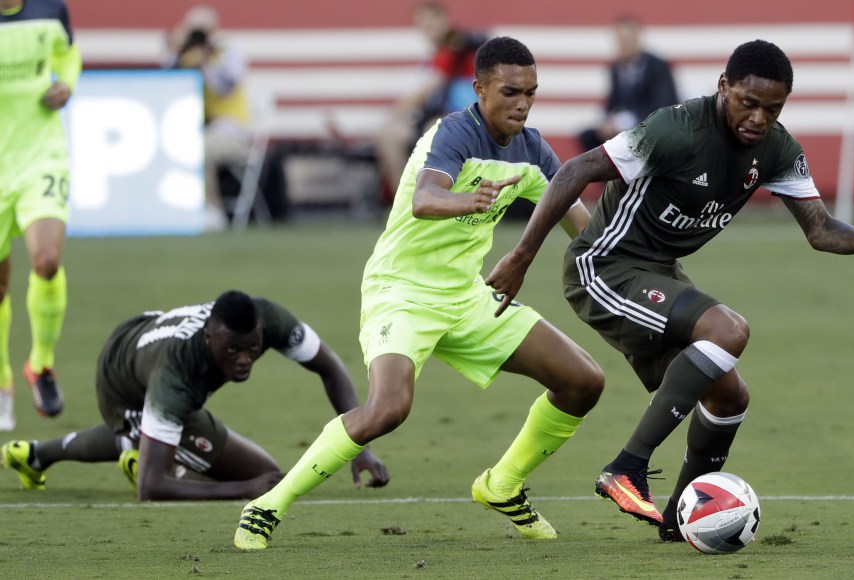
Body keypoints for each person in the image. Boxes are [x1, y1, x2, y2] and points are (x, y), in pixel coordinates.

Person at [486, 39, 854, 543]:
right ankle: (626, 467)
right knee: (729, 330)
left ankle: (680, 518)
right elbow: (576, 169)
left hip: (658, 273)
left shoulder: (778, 148)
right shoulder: (675, 130)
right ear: (724, 87)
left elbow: (820, 229)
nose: (759, 118)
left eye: (773, 107)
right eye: (749, 102)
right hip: (603, 268)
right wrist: (521, 256)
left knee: (729, 393)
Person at [233, 36, 605, 550]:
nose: (522, 102)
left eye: (532, 93)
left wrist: (623, 258)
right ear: (478, 89)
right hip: (401, 293)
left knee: (583, 380)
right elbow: (424, 200)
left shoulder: (532, 150)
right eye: (510, 91)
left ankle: (502, 485)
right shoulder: (452, 133)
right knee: (388, 408)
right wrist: (467, 201)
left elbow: (580, 227)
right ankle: (270, 503)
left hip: (469, 297)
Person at [1, 290, 390, 500]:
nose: (244, 360)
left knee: (262, 469)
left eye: (252, 348)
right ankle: (142, 452)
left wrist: (361, 447)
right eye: (232, 349)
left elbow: (330, 365)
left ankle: (36, 455)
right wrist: (244, 491)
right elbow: (150, 490)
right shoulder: (175, 377)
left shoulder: (268, 318)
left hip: (143, 337)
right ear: (209, 337)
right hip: (120, 383)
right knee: (258, 476)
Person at [0, 0, 81, 432]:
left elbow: (68, 53)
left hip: (40, 157)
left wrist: (66, 84)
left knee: (46, 260)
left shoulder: (50, 10)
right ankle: (2, 384)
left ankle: (41, 365)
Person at [375, 1, 486, 193]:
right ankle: (405, 203)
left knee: (434, 131)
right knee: (389, 136)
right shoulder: (437, 53)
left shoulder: (455, 44)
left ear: (445, 19)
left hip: (469, 117)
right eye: (423, 24)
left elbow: (428, 88)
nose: (429, 28)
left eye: (432, 21)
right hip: (442, 115)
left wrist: (398, 110)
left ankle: (436, 199)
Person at [163, 5, 253, 232]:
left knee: (198, 149)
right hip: (201, 127)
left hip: (232, 130)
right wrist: (177, 48)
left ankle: (211, 210)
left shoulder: (229, 52)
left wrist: (207, 62)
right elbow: (165, 77)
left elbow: (226, 86)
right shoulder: (188, 53)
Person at [578, 16, 679, 153]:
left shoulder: (657, 66)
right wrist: (607, 122)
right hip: (622, 130)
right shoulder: (616, 68)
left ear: (637, 38)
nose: (624, 45)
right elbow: (613, 102)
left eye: (627, 40)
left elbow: (665, 105)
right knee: (588, 136)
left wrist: (627, 121)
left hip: (650, 128)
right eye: (620, 40)